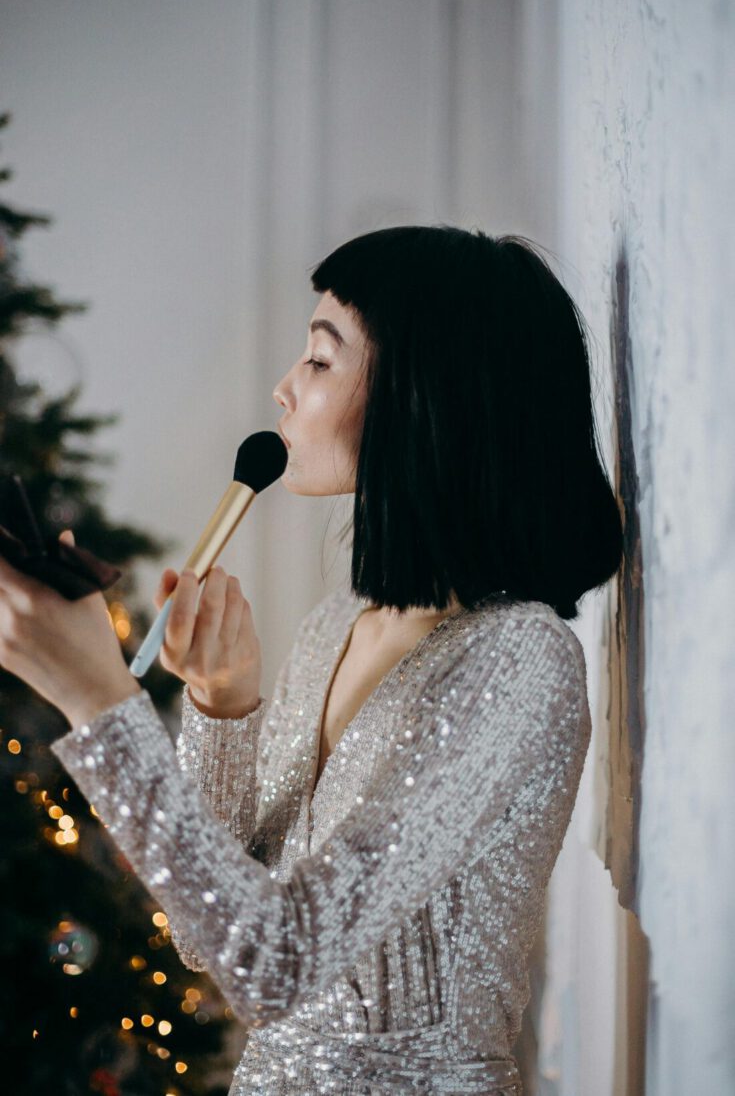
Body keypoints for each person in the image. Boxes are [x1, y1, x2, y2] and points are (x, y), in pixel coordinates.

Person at [1, 225, 623, 1095]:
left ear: (421, 399)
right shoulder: (336, 627)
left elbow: (275, 964)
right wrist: (222, 708)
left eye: (321, 361)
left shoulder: (518, 664)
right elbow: (209, 933)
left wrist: (97, 698)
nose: (283, 388)